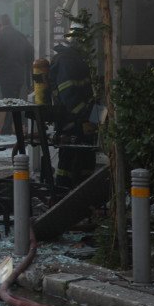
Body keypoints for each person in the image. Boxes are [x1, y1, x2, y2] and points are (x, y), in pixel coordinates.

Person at [48, 22, 97, 188]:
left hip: (81, 117)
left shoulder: (75, 59)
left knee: (86, 155)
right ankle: (63, 194)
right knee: (69, 157)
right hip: (71, 119)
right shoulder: (67, 61)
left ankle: (84, 195)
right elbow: (68, 94)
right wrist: (84, 116)